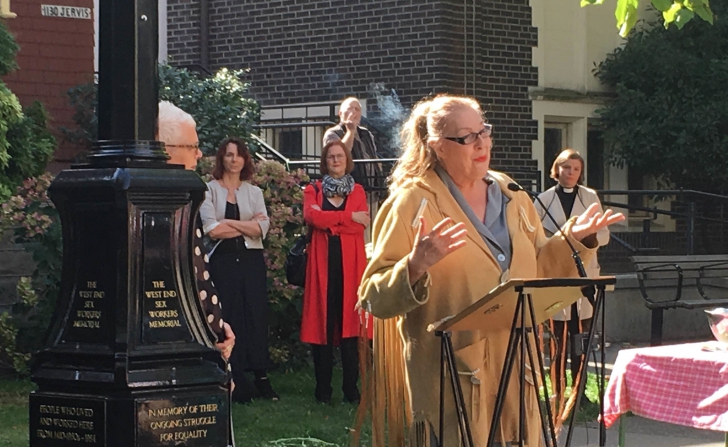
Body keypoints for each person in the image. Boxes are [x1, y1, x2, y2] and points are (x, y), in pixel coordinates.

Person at [357, 94, 624, 447]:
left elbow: (538, 268)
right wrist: (415, 265)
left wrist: (573, 240)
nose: (481, 143)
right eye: (467, 136)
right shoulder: (412, 202)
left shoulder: (512, 195)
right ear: (438, 146)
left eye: (484, 131)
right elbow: (373, 296)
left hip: (518, 376)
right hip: (452, 386)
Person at [200, 137, 278, 402]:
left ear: (245, 160)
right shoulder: (209, 190)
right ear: (222, 158)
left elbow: (262, 229)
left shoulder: (253, 192)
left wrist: (229, 223)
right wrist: (246, 223)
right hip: (221, 261)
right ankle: (235, 378)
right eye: (229, 154)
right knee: (230, 314)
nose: (234, 159)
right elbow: (212, 229)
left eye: (239, 155)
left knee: (255, 315)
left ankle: (262, 377)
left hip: (250, 261)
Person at [157, 101, 235, 360]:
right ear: (165, 150)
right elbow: (189, 280)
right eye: (192, 147)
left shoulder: (180, 199)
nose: (199, 154)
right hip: (184, 351)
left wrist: (217, 328)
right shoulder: (165, 206)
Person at [534, 149, 610, 396]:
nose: (571, 173)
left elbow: (603, 235)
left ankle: (579, 392)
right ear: (557, 169)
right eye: (566, 168)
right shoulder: (544, 199)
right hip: (556, 274)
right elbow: (534, 237)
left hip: (583, 273)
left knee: (581, 335)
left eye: (576, 169)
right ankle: (557, 390)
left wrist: (580, 238)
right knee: (558, 337)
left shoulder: (589, 197)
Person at [301, 140, 372, 404]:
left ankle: (350, 391)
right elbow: (312, 218)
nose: (335, 160)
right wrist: (347, 218)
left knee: (351, 330)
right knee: (322, 328)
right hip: (322, 267)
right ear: (324, 161)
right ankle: (323, 390)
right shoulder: (313, 189)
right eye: (330, 157)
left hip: (351, 267)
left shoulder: (359, 191)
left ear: (347, 159)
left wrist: (330, 221)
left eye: (339, 156)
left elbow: (360, 226)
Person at [323, 97, 383, 193]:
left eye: (357, 109)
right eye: (350, 108)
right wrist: (350, 131)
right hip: (348, 189)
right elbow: (341, 154)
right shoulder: (332, 133)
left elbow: (373, 156)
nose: (353, 112)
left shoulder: (366, 133)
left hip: (371, 191)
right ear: (340, 113)